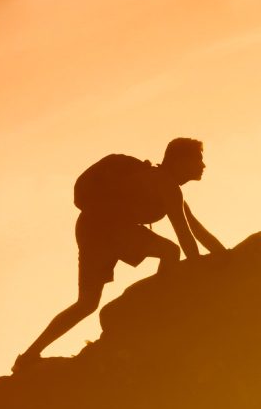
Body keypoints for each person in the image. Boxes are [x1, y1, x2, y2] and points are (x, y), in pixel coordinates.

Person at [12, 138, 225, 372]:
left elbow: (197, 231)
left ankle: (28, 357)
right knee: (170, 251)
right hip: (109, 229)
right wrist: (202, 270)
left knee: (86, 303)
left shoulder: (166, 185)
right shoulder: (166, 185)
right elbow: (185, 236)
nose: (203, 166)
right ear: (181, 161)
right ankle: (160, 308)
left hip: (90, 227)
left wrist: (225, 255)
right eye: (199, 159)